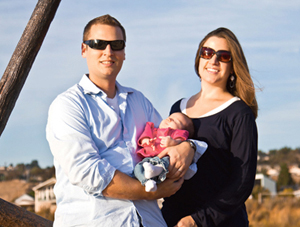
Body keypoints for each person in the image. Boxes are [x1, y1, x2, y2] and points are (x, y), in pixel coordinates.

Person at [46, 14, 205, 227]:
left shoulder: (139, 102)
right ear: (84, 50)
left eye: (117, 44)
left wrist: (189, 147)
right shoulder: (67, 105)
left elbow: (166, 144)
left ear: (124, 52)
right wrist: (146, 192)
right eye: (98, 44)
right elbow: (87, 172)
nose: (108, 52)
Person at [161, 27, 258, 227]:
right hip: (171, 220)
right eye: (207, 53)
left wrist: (197, 221)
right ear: (199, 58)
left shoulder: (239, 113)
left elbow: (242, 182)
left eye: (223, 56)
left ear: (233, 66)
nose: (213, 61)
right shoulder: (178, 108)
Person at [134, 112, 207, 192]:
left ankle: (156, 170)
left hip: (163, 159)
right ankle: (148, 182)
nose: (169, 119)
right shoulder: (153, 129)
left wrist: (173, 142)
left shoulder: (176, 133)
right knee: (138, 168)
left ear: (182, 130)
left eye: (176, 121)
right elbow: (145, 135)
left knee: (166, 162)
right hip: (148, 160)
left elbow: (180, 142)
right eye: (169, 117)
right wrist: (145, 140)